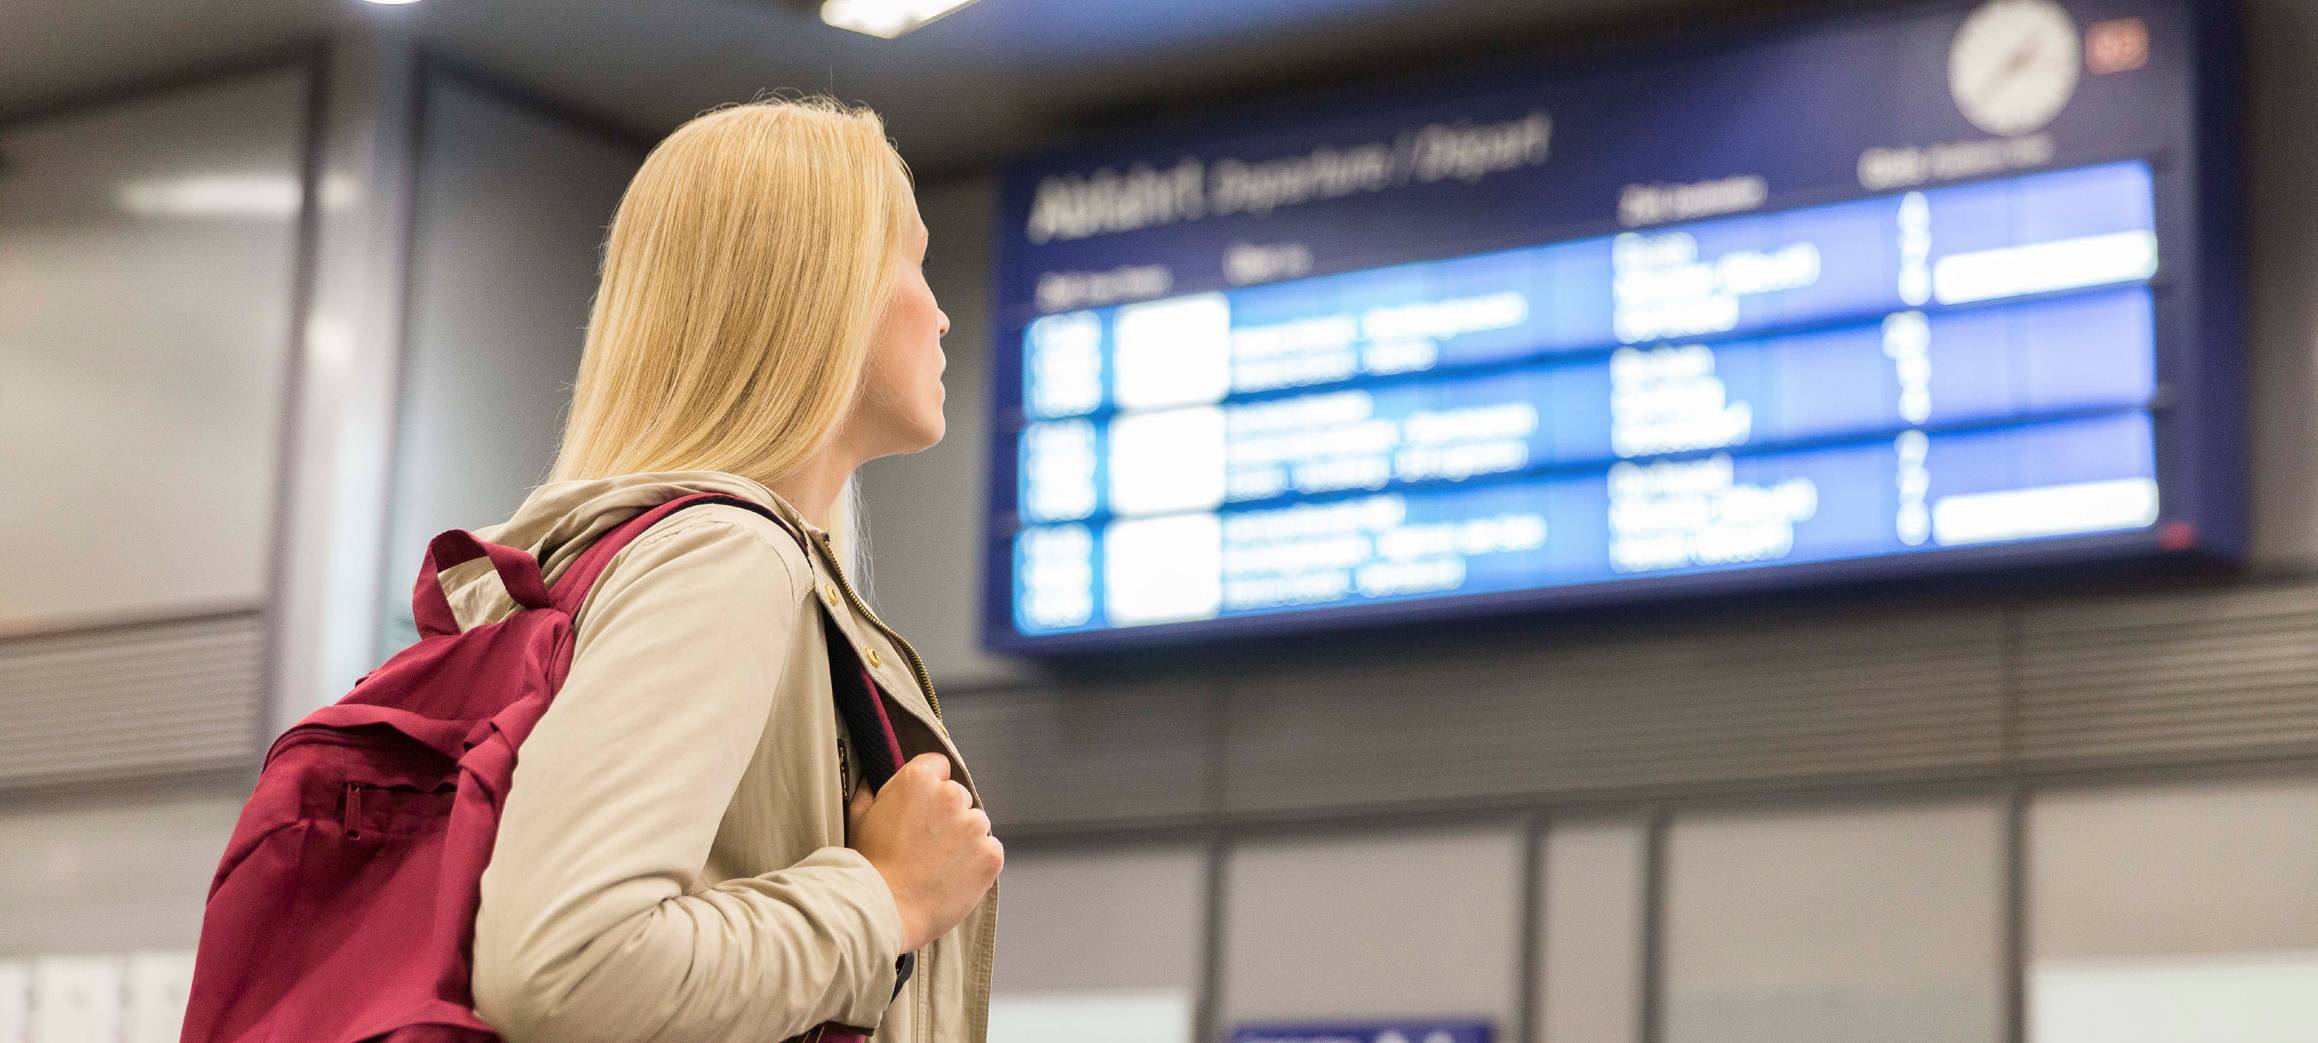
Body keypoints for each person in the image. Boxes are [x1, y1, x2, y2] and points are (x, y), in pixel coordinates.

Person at [450, 96, 1000, 1043]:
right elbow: (562, 964)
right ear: (823, 288)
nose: (943, 313)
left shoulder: (623, 563)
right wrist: (887, 895)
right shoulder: (726, 557)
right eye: (913, 260)